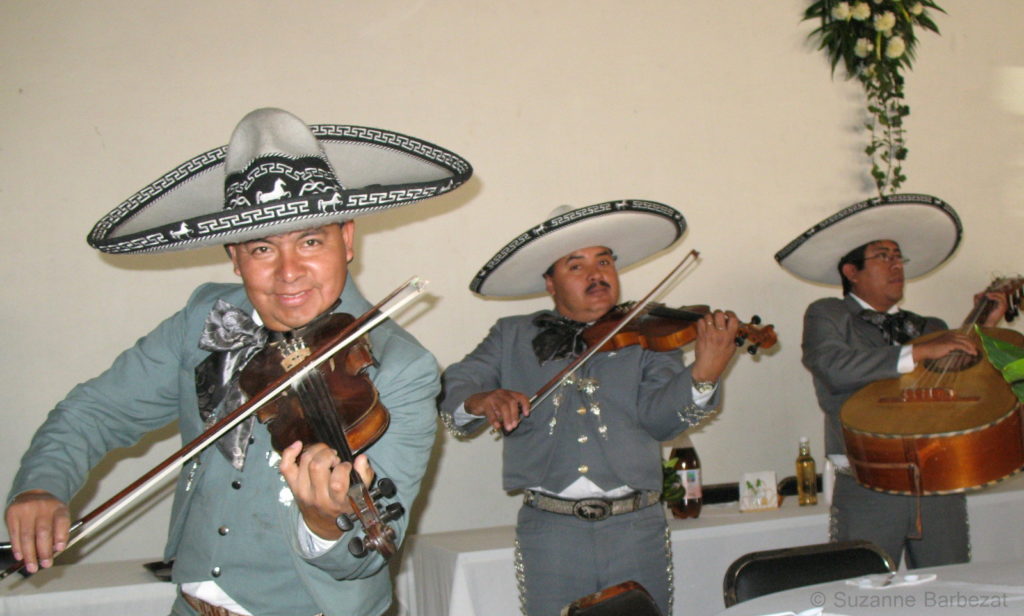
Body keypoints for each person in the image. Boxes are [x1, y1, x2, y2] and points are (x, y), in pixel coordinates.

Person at [5, 108, 472, 616]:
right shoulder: (206, 319)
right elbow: (95, 410)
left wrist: (321, 521)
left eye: (311, 240)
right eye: (261, 248)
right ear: (233, 255)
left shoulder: (403, 369)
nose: (289, 272)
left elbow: (370, 554)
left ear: (347, 239)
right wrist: (41, 484)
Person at [438, 201, 740, 616]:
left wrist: (703, 373)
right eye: (575, 265)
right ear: (550, 283)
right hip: (550, 529)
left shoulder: (644, 332)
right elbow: (454, 384)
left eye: (604, 261)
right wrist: (481, 399)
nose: (596, 273)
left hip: (636, 526)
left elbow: (662, 422)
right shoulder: (512, 335)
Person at [775, 193, 1008, 569]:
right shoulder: (829, 314)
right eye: (883, 256)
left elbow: (961, 385)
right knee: (864, 592)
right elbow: (833, 367)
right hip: (870, 480)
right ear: (850, 271)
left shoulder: (930, 327)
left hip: (938, 479)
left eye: (898, 257)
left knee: (948, 591)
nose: (896, 264)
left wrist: (984, 325)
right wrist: (917, 353)